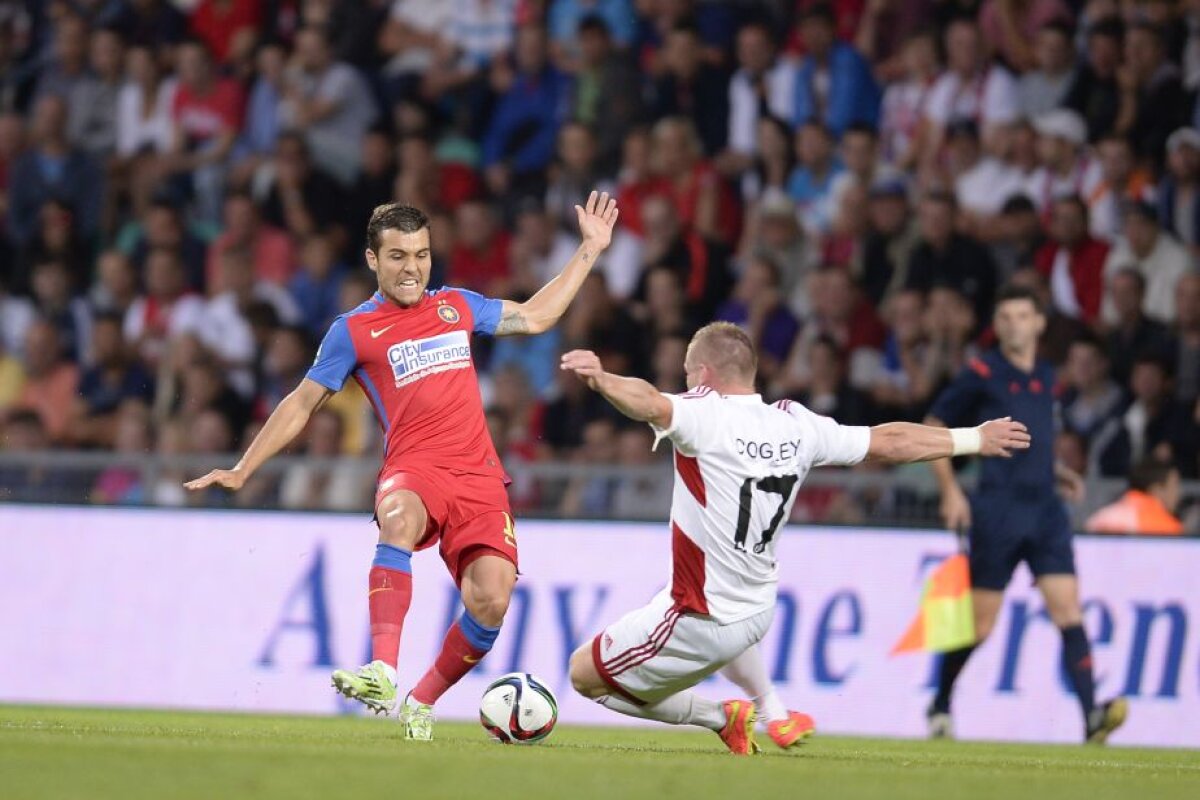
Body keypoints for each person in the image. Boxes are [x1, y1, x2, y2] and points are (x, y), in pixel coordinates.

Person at [184, 191, 620, 741]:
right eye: (397, 256)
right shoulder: (353, 331)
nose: (412, 268)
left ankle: (421, 700)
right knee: (398, 520)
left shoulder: (457, 306)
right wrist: (244, 468)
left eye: (421, 255)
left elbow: (536, 316)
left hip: (480, 478)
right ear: (373, 259)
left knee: (491, 600)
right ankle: (383, 671)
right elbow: (302, 402)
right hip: (413, 469)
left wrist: (589, 248)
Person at [559, 322, 1032, 753]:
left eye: (687, 374)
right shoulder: (795, 423)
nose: (685, 384)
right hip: (757, 611)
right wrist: (974, 438)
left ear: (702, 374)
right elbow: (889, 441)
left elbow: (648, 401)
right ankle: (772, 709)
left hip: (699, 615)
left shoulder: (704, 414)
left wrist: (602, 380)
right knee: (721, 616)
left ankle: (720, 717)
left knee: (584, 676)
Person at [924, 285, 1128, 744]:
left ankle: (1092, 716)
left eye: (1021, 315)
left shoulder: (1048, 375)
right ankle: (940, 703)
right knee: (981, 625)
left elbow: (1031, 439)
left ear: (1038, 323)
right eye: (1005, 317)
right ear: (996, 326)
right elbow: (934, 426)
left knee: (1068, 610)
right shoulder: (982, 372)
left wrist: (1055, 471)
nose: (1013, 324)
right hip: (998, 510)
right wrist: (950, 491)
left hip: (1046, 511)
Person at [1086, 456, 1184, 535]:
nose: (1179, 493)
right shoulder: (1168, 528)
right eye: (1175, 486)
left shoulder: (1100, 518)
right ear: (1157, 490)